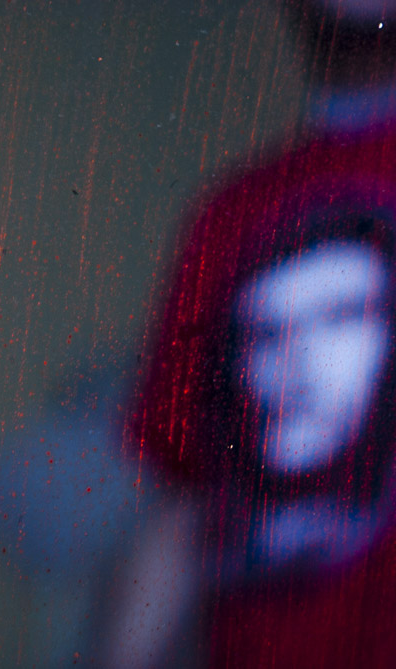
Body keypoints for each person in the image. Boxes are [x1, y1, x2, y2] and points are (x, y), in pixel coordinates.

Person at [115, 120, 396, 667]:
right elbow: (184, 507)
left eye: (340, 316)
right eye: (266, 334)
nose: (296, 362)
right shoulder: (230, 210)